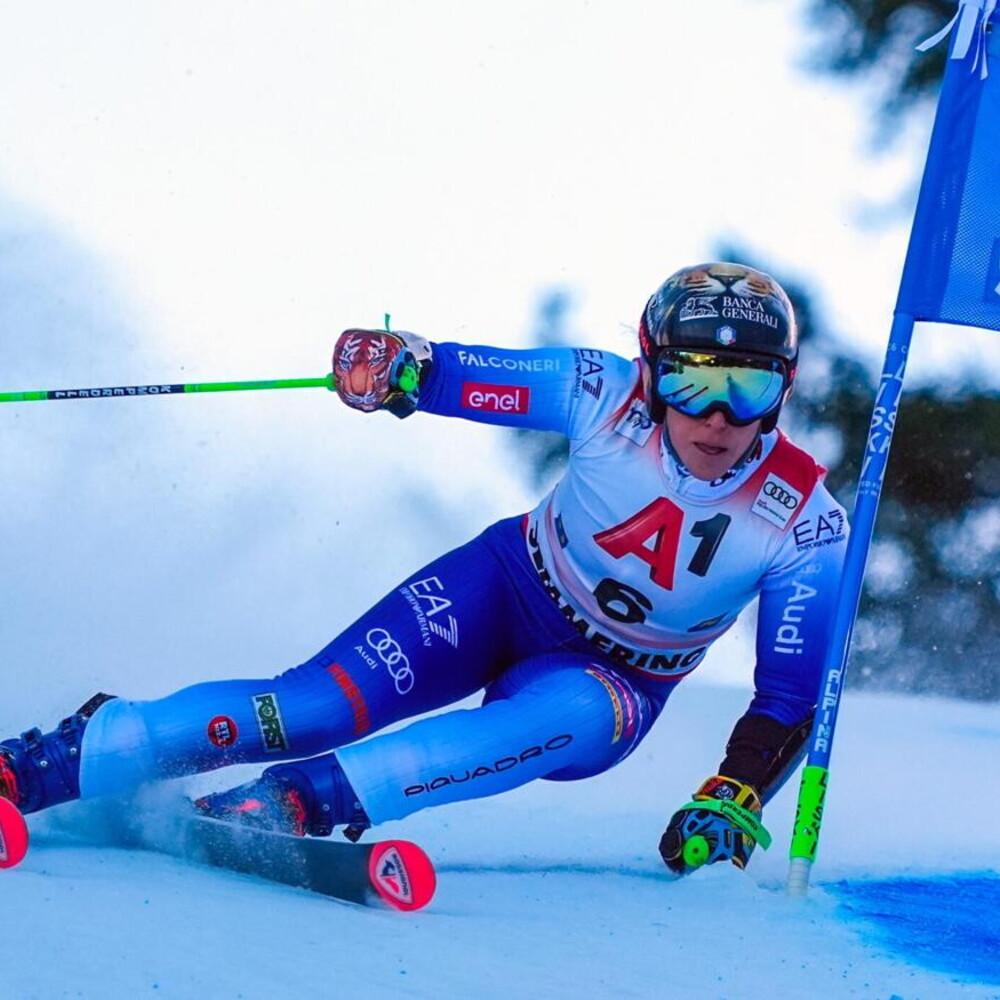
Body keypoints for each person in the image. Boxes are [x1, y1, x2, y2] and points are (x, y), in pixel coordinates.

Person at [0, 262, 848, 876]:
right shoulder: (601, 391)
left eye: (748, 386)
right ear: (652, 367)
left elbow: (789, 695)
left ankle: (301, 802)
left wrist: (736, 790)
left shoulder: (806, 521)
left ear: (784, 388)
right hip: (505, 586)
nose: (719, 416)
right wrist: (401, 364)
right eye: (696, 381)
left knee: (569, 715)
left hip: (618, 674)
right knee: (314, 704)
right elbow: (467, 374)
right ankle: (49, 762)